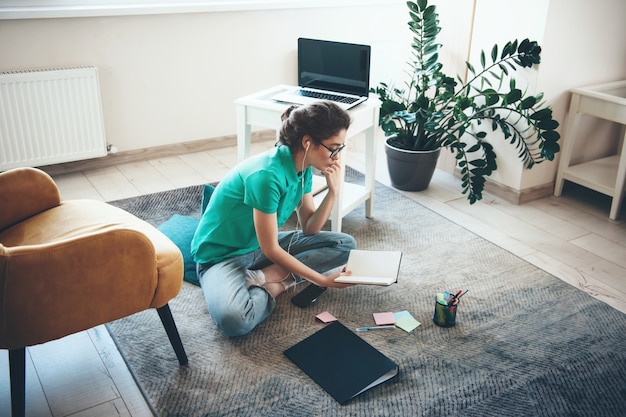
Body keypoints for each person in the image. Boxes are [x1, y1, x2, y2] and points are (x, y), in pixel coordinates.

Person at [191, 101, 357, 337]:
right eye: (333, 148)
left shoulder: (304, 166)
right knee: (235, 319)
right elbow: (271, 249)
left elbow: (310, 228)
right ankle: (277, 284)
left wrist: (333, 192)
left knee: (345, 244)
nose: (336, 157)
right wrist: (322, 280)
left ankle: (264, 277)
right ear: (307, 142)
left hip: (258, 245)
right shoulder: (266, 175)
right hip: (222, 255)